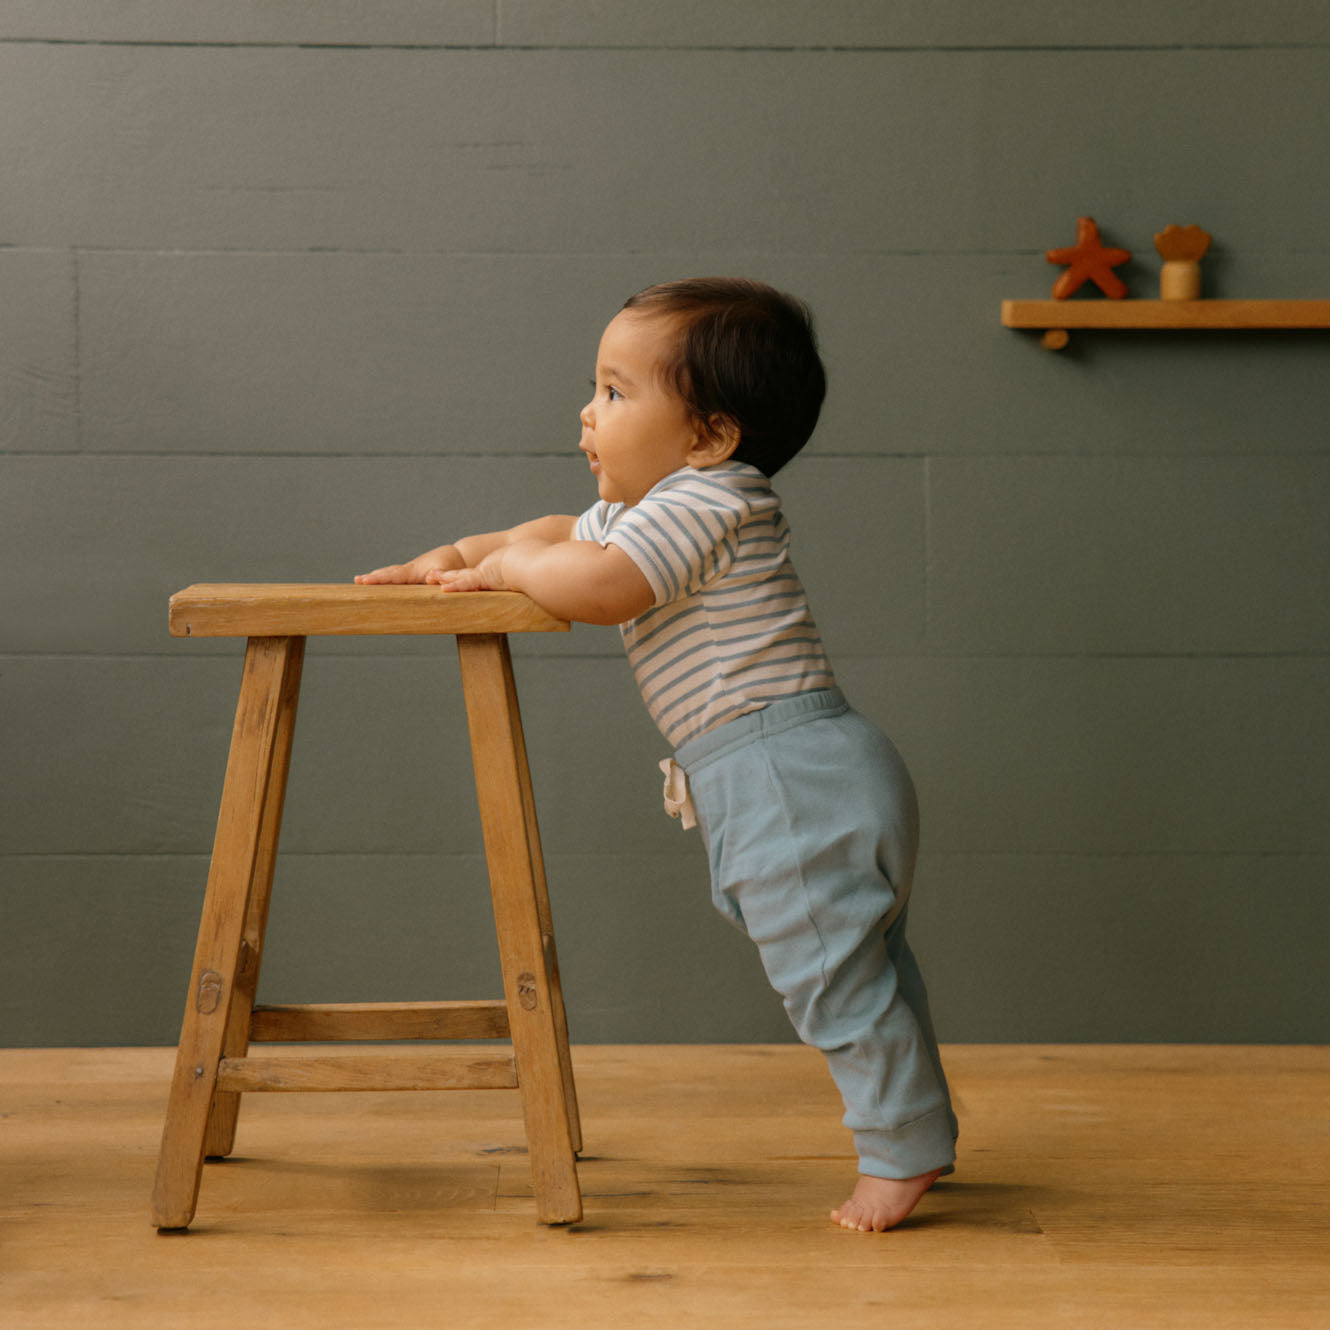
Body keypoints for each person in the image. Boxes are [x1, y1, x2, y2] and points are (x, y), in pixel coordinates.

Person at [356, 277, 958, 1231]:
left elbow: (597, 585)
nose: (587, 413)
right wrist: (453, 556)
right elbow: (547, 533)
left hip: (788, 776)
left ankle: (900, 1150)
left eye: (614, 392)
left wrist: (508, 571)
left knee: (832, 979)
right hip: (811, 767)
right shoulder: (666, 508)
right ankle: (916, 1125)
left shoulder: (708, 500)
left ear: (709, 435)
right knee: (866, 967)